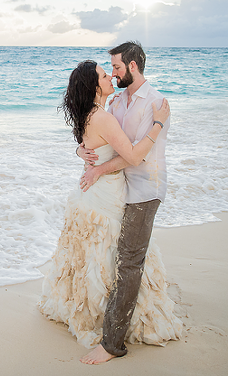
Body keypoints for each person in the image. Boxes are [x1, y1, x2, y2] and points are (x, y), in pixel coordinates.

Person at [38, 44, 182, 365]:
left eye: (113, 69)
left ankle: (107, 330)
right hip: (109, 193)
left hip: (136, 188)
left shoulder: (151, 103)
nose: (111, 75)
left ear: (131, 66)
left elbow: (129, 154)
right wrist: (83, 152)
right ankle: (109, 330)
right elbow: (106, 144)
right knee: (110, 256)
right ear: (94, 87)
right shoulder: (112, 106)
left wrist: (96, 162)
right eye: (106, 73)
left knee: (113, 257)